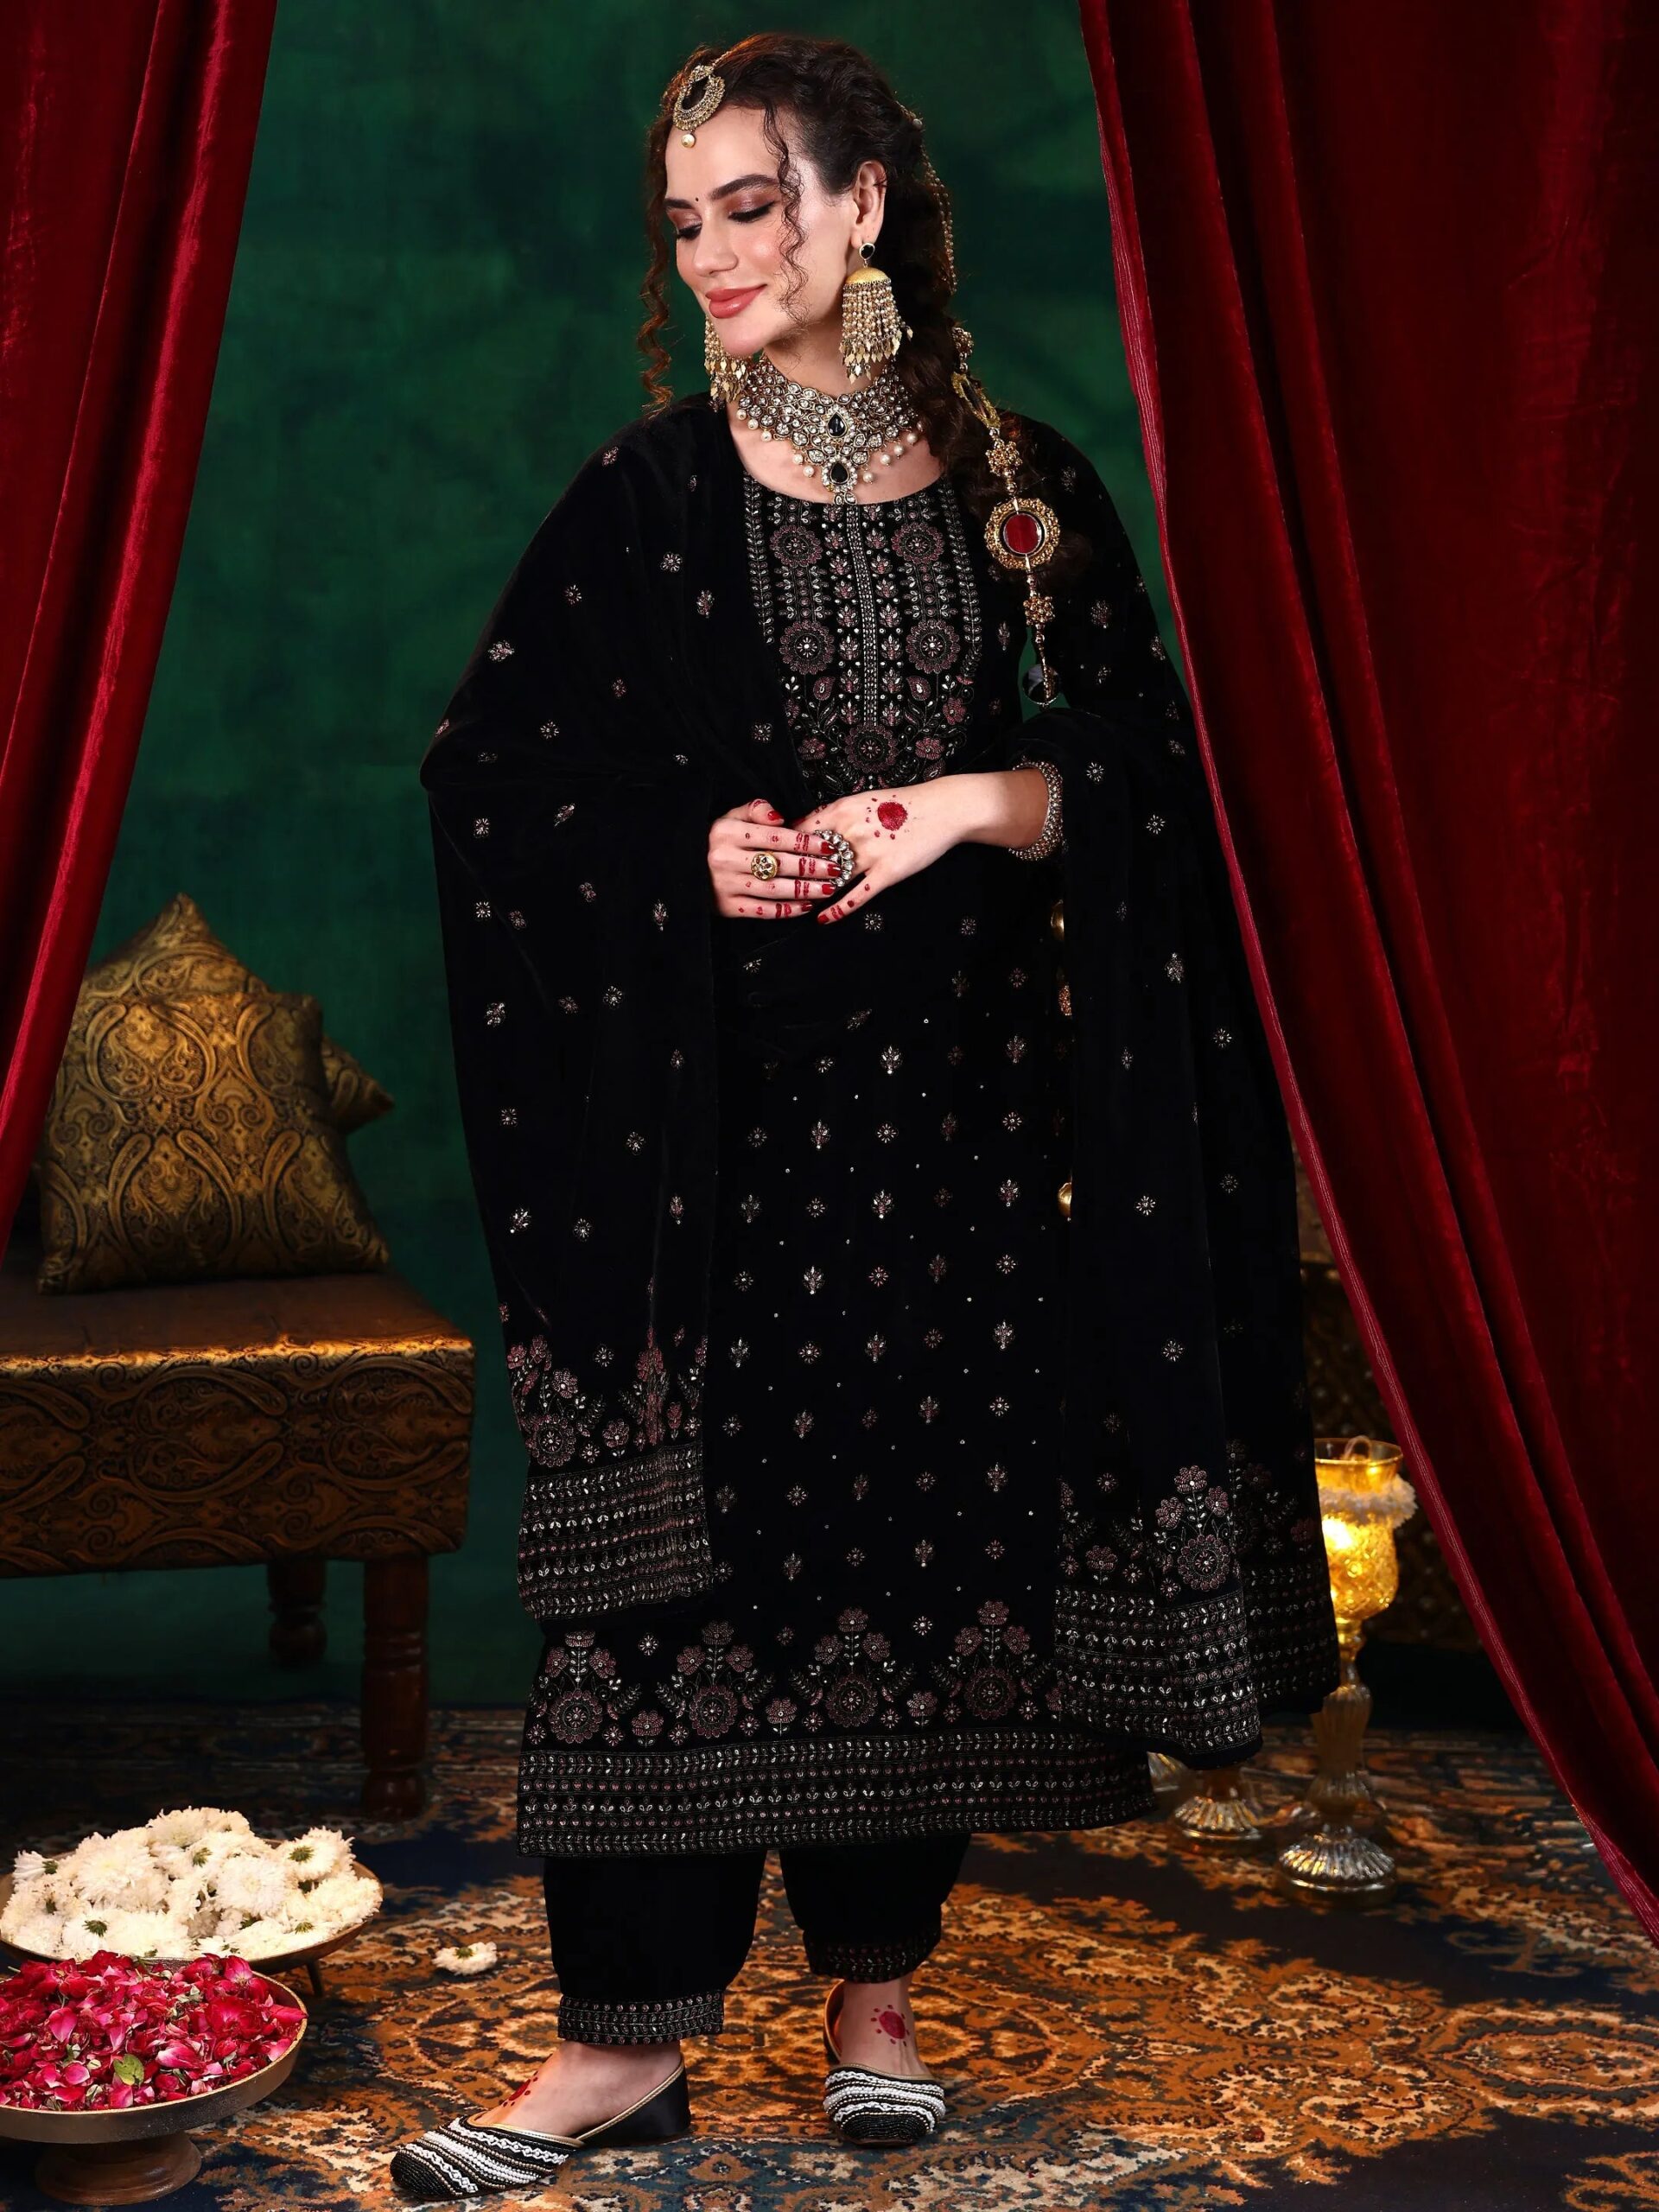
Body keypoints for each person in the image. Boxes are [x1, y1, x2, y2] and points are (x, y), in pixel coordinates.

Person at [394, 31, 1340, 2201]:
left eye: (753, 206)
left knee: (925, 1543)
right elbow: (498, 782)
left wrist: (974, 804)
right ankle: (620, 2042)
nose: (715, 255)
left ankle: (874, 1992)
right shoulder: (649, 501)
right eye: (687, 223)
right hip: (709, 1154)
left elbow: (1159, 775)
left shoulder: (1024, 494)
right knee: (664, 1585)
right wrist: (690, 851)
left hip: (969, 1139)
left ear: (862, 208)